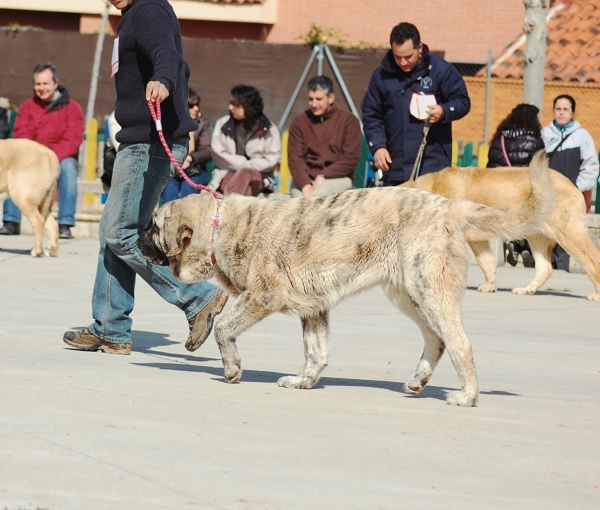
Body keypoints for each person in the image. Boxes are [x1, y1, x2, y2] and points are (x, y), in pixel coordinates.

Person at [63, 0, 227, 355]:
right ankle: (110, 328)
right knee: (114, 234)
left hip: (149, 144)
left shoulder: (147, 8)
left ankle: (199, 297)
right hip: (138, 141)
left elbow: (167, 54)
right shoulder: (131, 17)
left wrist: (162, 79)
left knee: (120, 233)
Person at [361, 22, 470, 186]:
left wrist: (444, 111)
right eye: (398, 57)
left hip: (433, 167)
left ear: (419, 48)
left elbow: (462, 101)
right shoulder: (381, 76)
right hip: (395, 167)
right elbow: (371, 115)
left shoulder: (441, 70)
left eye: (408, 57)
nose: (403, 62)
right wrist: (377, 147)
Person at [0, 62, 84, 239]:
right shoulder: (27, 107)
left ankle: (65, 224)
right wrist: (34, 158)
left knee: (69, 168)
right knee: (14, 171)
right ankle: (10, 221)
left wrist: (49, 158)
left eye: (45, 83)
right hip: (30, 159)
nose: (41, 88)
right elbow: (21, 135)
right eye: (38, 84)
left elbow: (73, 139)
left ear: (55, 83)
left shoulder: (72, 108)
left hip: (60, 156)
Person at [542, 94, 599, 270]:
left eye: (565, 109)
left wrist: (577, 188)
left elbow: (591, 166)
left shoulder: (582, 136)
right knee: (548, 231)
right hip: (548, 194)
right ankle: (546, 266)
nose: (561, 113)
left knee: (569, 232)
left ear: (572, 112)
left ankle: (563, 267)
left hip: (571, 196)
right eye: (558, 109)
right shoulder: (544, 135)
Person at [487, 103, 545, 268]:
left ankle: (512, 243)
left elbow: (491, 164)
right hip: (525, 188)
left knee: (511, 218)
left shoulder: (500, 138)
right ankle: (526, 248)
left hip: (503, 189)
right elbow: (541, 167)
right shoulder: (535, 140)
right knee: (527, 218)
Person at [288, 75, 362, 198]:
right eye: (310, 99)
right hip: (306, 180)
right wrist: (306, 185)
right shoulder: (299, 122)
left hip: (338, 178)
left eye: (319, 99)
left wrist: (323, 175)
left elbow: (350, 158)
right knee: (299, 202)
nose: (314, 104)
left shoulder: (348, 121)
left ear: (331, 97)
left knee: (320, 196)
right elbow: (295, 159)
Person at [209, 84, 280, 196]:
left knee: (245, 173)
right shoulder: (222, 124)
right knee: (235, 182)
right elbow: (217, 154)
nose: (230, 108)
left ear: (248, 105)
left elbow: (271, 159)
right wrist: (242, 163)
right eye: (230, 103)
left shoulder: (269, 129)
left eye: (235, 104)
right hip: (227, 172)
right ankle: (234, 209)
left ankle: (228, 208)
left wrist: (247, 166)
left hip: (258, 176)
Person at [161, 87, 211, 203]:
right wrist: (177, 160)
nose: (196, 109)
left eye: (197, 105)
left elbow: (206, 151)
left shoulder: (203, 123)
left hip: (195, 171)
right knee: (169, 191)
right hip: (172, 170)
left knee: (186, 193)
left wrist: (190, 158)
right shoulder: (169, 122)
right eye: (191, 106)